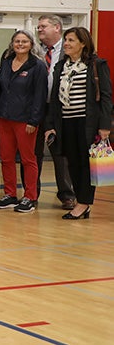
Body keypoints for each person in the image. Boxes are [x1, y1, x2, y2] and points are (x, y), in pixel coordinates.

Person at [45, 27, 112, 220]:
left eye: (71, 40)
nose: (66, 43)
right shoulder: (60, 67)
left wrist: (105, 125)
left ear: (83, 43)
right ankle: (81, 201)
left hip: (87, 123)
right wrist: (50, 124)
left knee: (86, 164)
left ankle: (84, 203)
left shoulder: (97, 65)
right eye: (65, 40)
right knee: (72, 163)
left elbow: (106, 97)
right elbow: (54, 98)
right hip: (66, 122)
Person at [0, 30, 47, 213]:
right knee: (6, 158)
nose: (20, 44)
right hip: (5, 118)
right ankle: (10, 195)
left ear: (31, 44)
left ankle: (30, 196)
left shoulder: (37, 66)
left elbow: (40, 95)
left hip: (26, 121)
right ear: (12, 44)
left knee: (28, 159)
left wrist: (34, 120)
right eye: (17, 41)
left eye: (24, 41)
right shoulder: (6, 63)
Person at [36, 15, 73, 208]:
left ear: (57, 27)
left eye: (43, 26)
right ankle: (32, 194)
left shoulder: (67, 50)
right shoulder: (34, 50)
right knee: (33, 154)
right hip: (36, 107)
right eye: (38, 27)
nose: (39, 29)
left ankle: (67, 195)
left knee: (61, 153)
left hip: (59, 109)